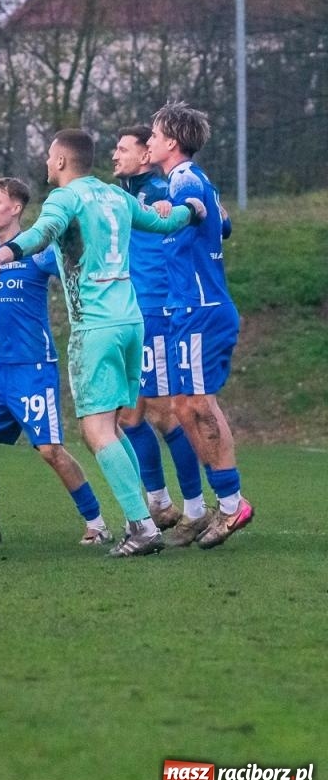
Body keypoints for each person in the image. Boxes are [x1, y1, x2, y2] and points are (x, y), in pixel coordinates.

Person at [0, 128, 201, 557]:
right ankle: (147, 518)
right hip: (132, 323)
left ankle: (141, 528)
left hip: (95, 328)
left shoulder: (65, 198)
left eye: (48, 157)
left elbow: (43, 233)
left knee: (96, 431)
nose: (45, 163)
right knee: (115, 427)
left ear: (61, 161)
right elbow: (162, 221)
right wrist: (192, 207)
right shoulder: (117, 196)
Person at [0, 177, 112, 546]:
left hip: (34, 367)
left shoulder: (37, 252)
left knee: (50, 450)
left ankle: (97, 523)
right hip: (1, 370)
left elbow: (70, 265)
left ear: (16, 208)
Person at [146, 101, 252, 548]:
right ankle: (224, 502)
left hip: (200, 310)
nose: (149, 141)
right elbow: (223, 222)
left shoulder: (185, 179)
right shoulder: (189, 179)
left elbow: (196, 207)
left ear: (171, 141)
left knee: (198, 405)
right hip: (187, 309)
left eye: (153, 135)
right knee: (184, 408)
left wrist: (186, 209)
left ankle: (232, 504)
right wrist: (209, 213)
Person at [111, 126, 207, 530]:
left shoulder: (165, 188)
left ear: (145, 156)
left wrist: (185, 207)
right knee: (129, 418)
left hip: (157, 311)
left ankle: (197, 509)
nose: (115, 155)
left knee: (165, 414)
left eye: (123, 148)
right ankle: (160, 503)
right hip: (131, 313)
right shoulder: (122, 195)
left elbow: (219, 220)